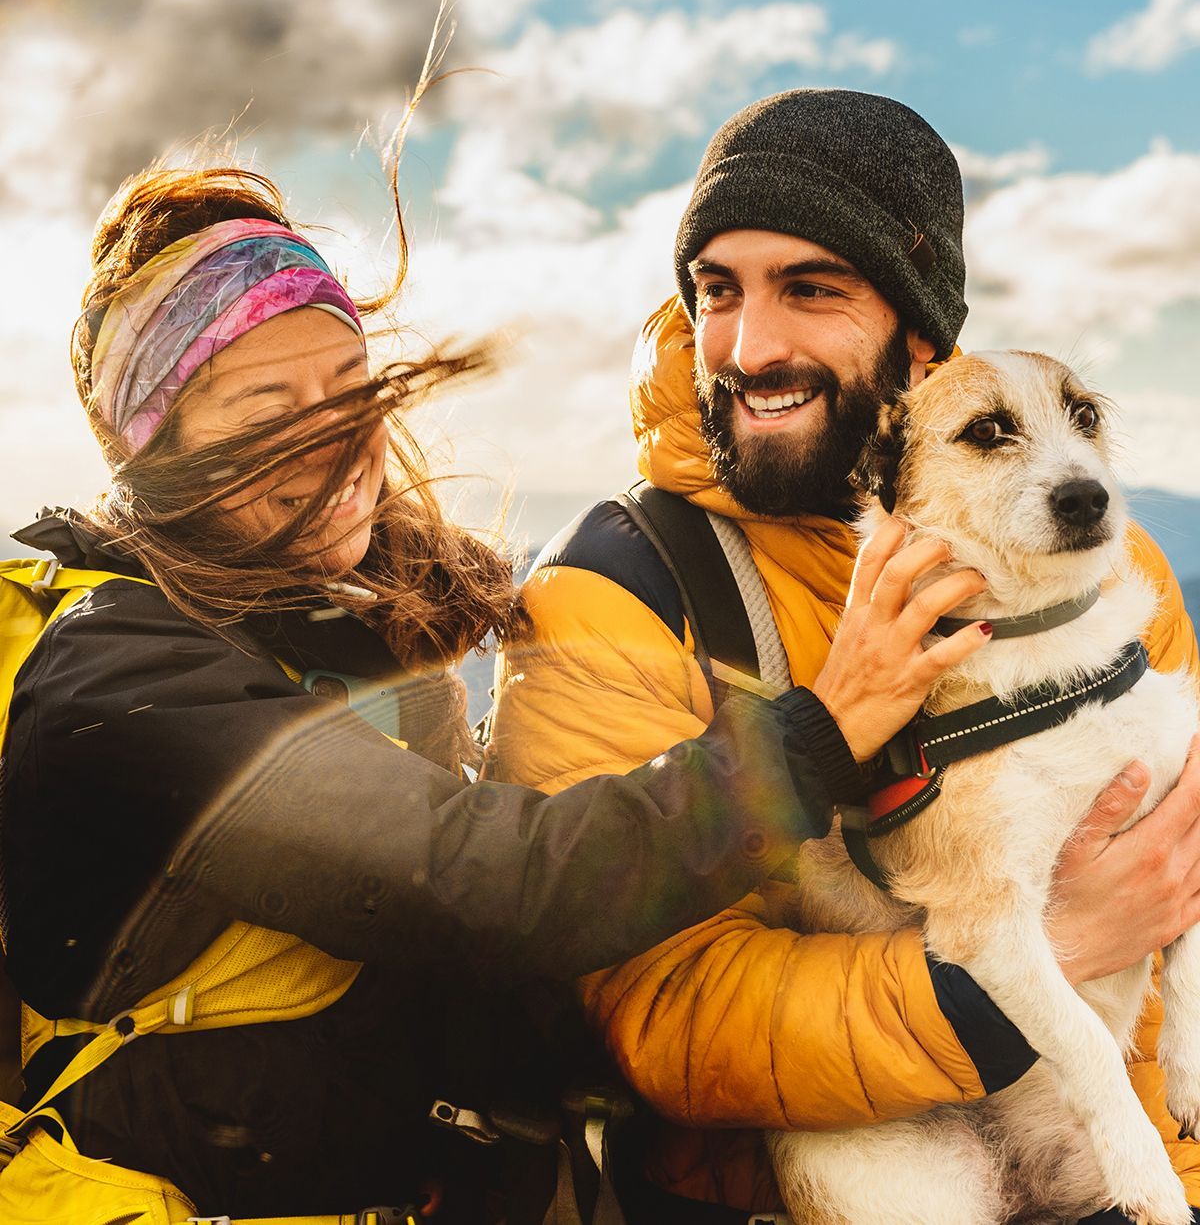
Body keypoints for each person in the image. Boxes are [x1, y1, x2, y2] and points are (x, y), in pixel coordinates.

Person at [0, 158, 977, 1225]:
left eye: (343, 384)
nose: (332, 440)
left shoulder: (338, 630)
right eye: (261, 406)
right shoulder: (124, 685)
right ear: (152, 451)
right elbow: (477, 885)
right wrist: (813, 738)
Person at [491, 89, 1200, 1223]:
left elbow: (1177, 902)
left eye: (811, 289)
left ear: (921, 335)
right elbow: (666, 1014)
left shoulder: (1112, 568)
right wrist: (1005, 976)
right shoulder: (612, 590)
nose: (749, 345)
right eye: (716, 290)